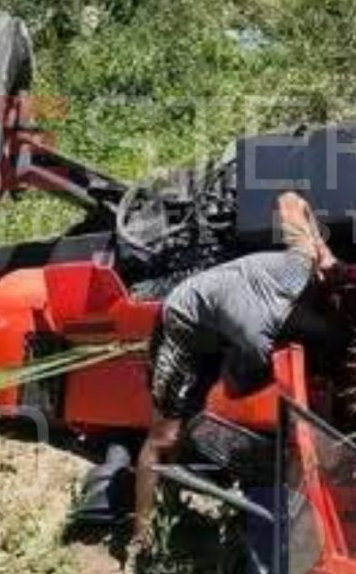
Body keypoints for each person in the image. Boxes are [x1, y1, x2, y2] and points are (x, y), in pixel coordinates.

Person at [132, 191, 343, 554]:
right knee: (165, 434)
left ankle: (191, 470)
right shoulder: (256, 340)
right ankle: (142, 534)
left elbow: (290, 199)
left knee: (199, 409)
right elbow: (236, 388)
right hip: (185, 324)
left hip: (225, 323)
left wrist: (321, 250)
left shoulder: (301, 263)